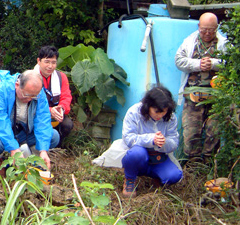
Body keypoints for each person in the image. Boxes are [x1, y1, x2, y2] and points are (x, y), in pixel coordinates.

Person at [93, 86, 183, 197]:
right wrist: (151, 139)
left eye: (163, 112)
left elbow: (174, 142)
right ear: (148, 106)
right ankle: (130, 179)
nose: (160, 115)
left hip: (158, 158)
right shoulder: (134, 112)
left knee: (174, 175)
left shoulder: (171, 117)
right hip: (138, 156)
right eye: (157, 112)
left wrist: (165, 143)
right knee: (136, 153)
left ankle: (157, 177)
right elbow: (128, 138)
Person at [0, 70, 60, 170]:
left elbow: (42, 121)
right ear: (17, 85)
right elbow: (0, 123)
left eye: (34, 96)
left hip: (23, 133)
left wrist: (43, 150)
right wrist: (13, 147)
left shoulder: (39, 94)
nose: (30, 99)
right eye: (27, 95)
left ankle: (34, 159)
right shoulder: (1, 91)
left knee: (53, 136)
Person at [175, 12, 227, 161]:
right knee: (191, 133)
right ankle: (193, 168)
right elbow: (178, 61)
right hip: (193, 97)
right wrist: (198, 64)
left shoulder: (223, 43)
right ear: (198, 26)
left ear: (216, 28)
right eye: (204, 30)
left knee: (214, 133)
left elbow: (231, 63)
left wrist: (214, 63)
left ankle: (209, 167)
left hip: (216, 98)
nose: (207, 33)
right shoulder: (189, 42)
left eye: (211, 30)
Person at [34, 46, 73, 146]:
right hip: (36, 114)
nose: (50, 66)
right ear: (39, 61)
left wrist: (61, 109)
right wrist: (50, 110)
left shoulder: (61, 77)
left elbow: (66, 97)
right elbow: (30, 101)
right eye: (47, 62)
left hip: (56, 114)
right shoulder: (31, 77)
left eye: (53, 62)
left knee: (67, 124)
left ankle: (58, 147)